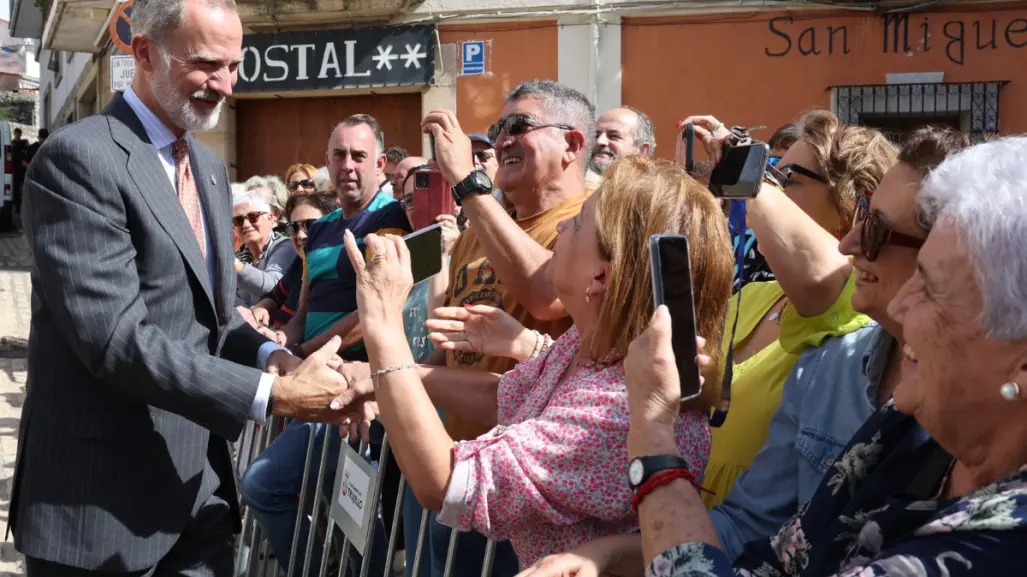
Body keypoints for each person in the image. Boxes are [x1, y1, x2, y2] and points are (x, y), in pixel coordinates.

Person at [513, 127, 975, 574]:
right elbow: (748, 532)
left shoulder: (996, 518)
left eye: (875, 228)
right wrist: (605, 554)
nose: (852, 242)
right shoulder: (828, 364)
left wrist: (652, 430)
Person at [10, 0, 354, 574]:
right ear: (144, 51)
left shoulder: (209, 169)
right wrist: (274, 397)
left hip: (201, 497)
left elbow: (212, 319)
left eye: (234, 66)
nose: (223, 83)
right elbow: (116, 340)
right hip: (100, 511)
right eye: (204, 64)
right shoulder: (78, 159)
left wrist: (277, 358)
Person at [612, 135, 1027, 577]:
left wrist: (654, 433)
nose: (903, 306)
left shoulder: (998, 548)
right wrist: (608, 554)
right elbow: (773, 556)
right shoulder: (898, 424)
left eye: (931, 288)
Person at [338, 156, 733, 568]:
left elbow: (444, 481)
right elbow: (503, 395)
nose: (561, 227)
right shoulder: (595, 348)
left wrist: (382, 323)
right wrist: (380, 377)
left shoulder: (615, 408)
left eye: (578, 223)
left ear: (601, 277)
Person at [416, 79, 594, 577]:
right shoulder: (481, 228)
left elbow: (548, 295)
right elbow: (454, 349)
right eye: (499, 128)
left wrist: (467, 183)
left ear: (573, 145)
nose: (502, 140)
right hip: (461, 473)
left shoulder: (590, 221)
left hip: (530, 493)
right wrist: (386, 383)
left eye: (519, 126)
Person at [680, 110, 895, 510]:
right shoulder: (756, 295)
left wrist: (745, 169)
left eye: (785, 177)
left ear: (849, 202)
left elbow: (826, 272)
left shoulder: (856, 304)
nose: (768, 188)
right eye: (769, 172)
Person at [240, 113, 411, 576]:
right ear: (327, 164)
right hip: (315, 379)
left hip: (358, 389)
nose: (348, 165)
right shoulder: (319, 228)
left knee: (267, 486)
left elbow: (380, 308)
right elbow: (302, 306)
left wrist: (308, 349)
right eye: (339, 155)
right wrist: (280, 339)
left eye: (359, 156)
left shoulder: (392, 218)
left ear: (380, 164)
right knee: (349, 514)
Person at [252, 192, 339, 330]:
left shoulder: (342, 269)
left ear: (334, 225)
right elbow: (275, 297)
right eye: (293, 227)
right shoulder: (300, 262)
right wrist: (262, 308)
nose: (300, 235)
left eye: (310, 225)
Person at [233, 190, 297, 306]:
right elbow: (238, 298)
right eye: (239, 220)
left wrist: (232, 263)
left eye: (253, 216)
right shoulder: (243, 256)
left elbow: (274, 286)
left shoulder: (285, 246)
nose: (246, 225)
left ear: (271, 218)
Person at [589, 106, 655, 175]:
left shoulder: (652, 185)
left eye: (613, 136)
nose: (599, 141)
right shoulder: (579, 183)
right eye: (596, 136)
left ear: (642, 151)